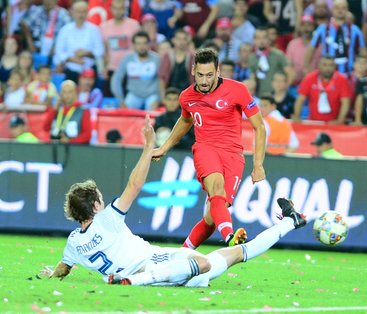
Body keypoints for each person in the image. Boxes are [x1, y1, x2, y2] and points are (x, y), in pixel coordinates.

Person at [39, 115, 307, 287]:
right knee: (209, 262)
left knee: (211, 266)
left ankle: (289, 223)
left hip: (163, 266)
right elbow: (134, 184)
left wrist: (51, 274)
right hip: (152, 262)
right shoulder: (108, 218)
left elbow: (63, 269)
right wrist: (148, 148)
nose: (103, 199)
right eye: (100, 197)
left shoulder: (74, 241)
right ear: (96, 205)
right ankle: (134, 280)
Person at [152, 48, 267, 249]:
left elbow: (260, 127)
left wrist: (258, 165)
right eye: (200, 75)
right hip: (206, 148)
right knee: (217, 189)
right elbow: (185, 120)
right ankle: (230, 236)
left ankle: (183, 253)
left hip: (233, 155)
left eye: (209, 75)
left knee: (212, 216)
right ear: (193, 71)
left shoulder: (238, 90)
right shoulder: (187, 96)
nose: (204, 81)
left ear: (218, 71)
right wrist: (164, 147)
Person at [304, 0, 367, 76]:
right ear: (332, 9)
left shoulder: (355, 30)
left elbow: (363, 53)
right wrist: (307, 69)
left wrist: (360, 71)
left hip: (349, 75)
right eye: (337, 8)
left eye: (343, 8)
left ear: (347, 10)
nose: (340, 10)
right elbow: (310, 50)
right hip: (328, 76)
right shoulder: (323, 29)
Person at [293, 55, 351, 124]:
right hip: (313, 122)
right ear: (319, 66)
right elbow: (300, 99)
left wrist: (339, 121)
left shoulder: (342, 80)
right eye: (324, 65)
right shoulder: (310, 78)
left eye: (331, 65)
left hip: (333, 123)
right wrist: (297, 116)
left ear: (335, 67)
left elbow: (345, 102)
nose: (327, 68)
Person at [111, 31, 160, 110]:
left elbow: (162, 81)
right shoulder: (127, 59)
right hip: (134, 95)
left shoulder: (157, 59)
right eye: (138, 43)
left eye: (144, 43)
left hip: (152, 95)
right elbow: (117, 79)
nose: (141, 46)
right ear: (133, 45)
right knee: (125, 113)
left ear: (149, 44)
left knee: (153, 116)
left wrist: (159, 99)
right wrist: (121, 100)